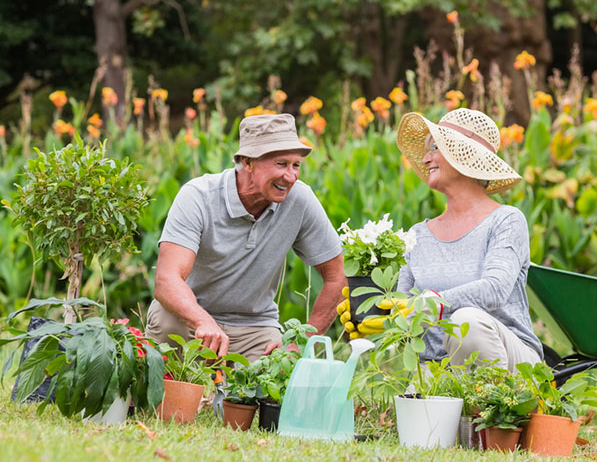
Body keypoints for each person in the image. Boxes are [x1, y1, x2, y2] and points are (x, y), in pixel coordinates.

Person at [145, 113, 346, 362]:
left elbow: (338, 276)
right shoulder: (198, 196)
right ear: (248, 162)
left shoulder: (300, 201)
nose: (291, 176)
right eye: (281, 164)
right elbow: (166, 279)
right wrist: (202, 321)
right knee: (168, 332)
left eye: (296, 165)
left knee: (276, 379)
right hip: (188, 319)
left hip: (256, 328)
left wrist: (301, 343)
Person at [394, 108, 543, 371]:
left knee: (467, 323)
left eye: (434, 148)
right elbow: (403, 307)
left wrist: (435, 302)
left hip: (512, 364)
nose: (426, 159)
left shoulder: (506, 220)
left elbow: (495, 289)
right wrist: (370, 315)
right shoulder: (417, 235)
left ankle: (494, 410)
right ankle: (454, 406)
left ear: (464, 154)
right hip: (438, 368)